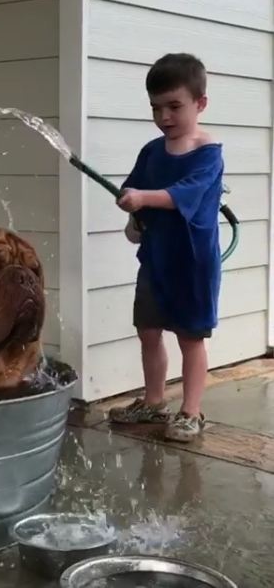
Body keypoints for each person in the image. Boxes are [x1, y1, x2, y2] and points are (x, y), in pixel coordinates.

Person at [108, 53, 224, 442]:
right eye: (156, 108)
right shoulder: (152, 150)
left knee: (191, 337)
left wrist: (143, 199)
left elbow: (181, 195)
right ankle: (154, 402)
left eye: (175, 106)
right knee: (148, 330)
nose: (164, 117)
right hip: (155, 260)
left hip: (192, 263)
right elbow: (134, 188)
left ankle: (191, 412)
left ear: (200, 103)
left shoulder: (208, 153)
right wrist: (132, 217)